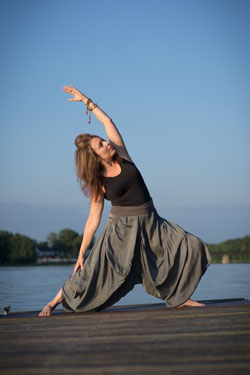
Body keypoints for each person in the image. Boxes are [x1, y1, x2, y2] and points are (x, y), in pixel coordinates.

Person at [39, 84, 212, 317]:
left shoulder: (122, 154)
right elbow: (93, 219)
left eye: (102, 140)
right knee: (91, 271)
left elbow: (108, 122)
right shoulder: (98, 183)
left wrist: (86, 101)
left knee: (192, 247)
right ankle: (53, 302)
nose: (106, 143)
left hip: (151, 222)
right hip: (120, 230)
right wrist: (82, 252)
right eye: (101, 145)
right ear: (95, 158)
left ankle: (179, 298)